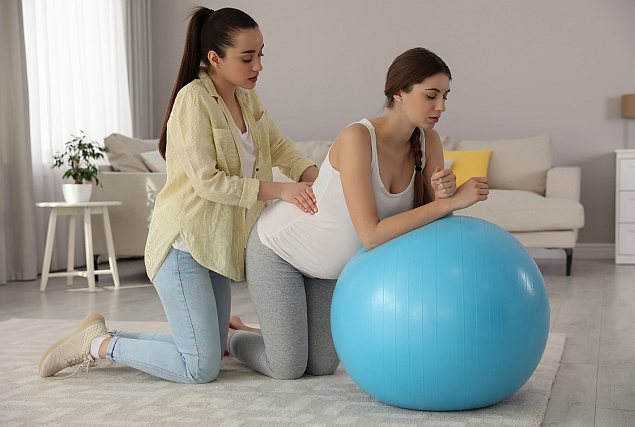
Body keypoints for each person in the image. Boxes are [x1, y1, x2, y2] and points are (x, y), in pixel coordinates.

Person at [37, 6, 320, 383]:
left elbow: (280, 146)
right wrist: (281, 190)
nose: (258, 66)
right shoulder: (193, 101)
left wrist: (318, 176)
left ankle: (121, 336)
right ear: (215, 59)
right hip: (183, 245)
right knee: (199, 367)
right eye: (247, 57)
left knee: (205, 349)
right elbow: (209, 181)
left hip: (215, 248)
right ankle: (97, 346)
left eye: (261, 54)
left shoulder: (247, 100)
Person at [228, 47, 489, 380]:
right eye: (431, 95)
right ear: (399, 92)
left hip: (327, 269)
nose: (441, 107)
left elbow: (427, 231)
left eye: (445, 97)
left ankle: (256, 331)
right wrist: (450, 203)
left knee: (322, 365)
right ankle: (232, 336)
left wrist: (442, 197)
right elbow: (372, 234)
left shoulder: (430, 140)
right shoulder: (358, 138)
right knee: (288, 366)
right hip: (280, 251)